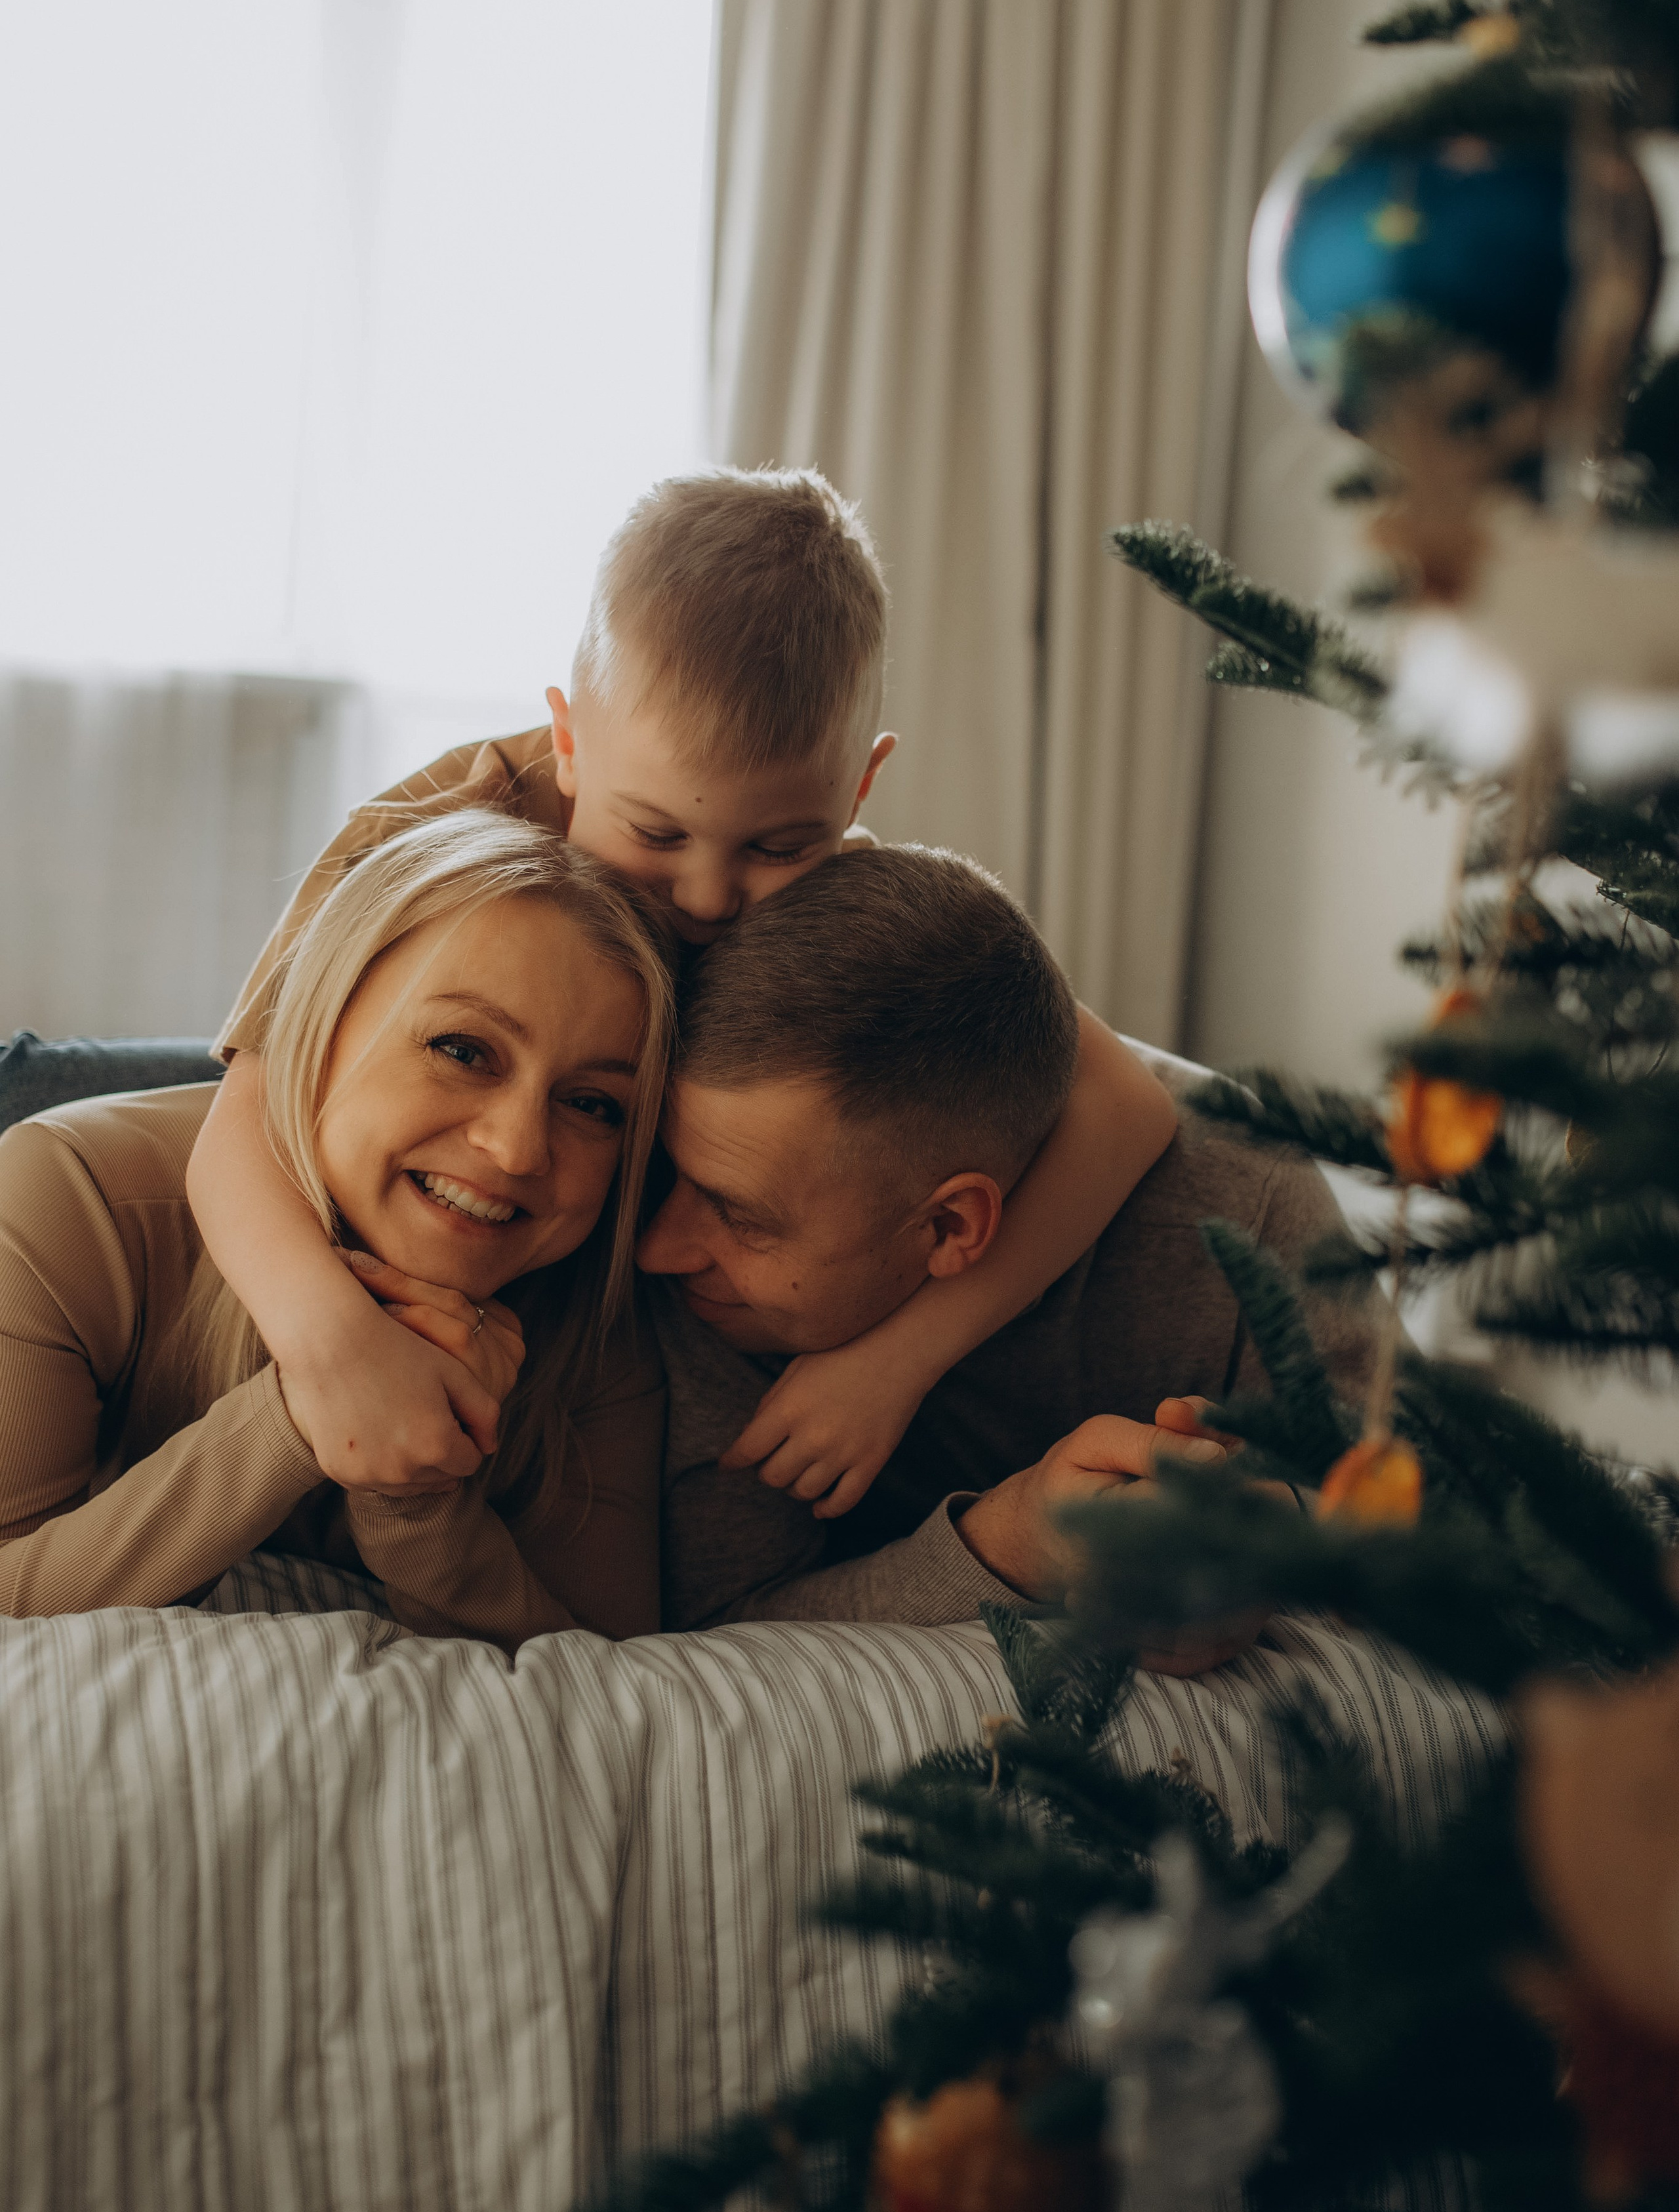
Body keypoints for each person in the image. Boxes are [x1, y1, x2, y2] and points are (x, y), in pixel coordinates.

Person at [185, 466, 1179, 1528]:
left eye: (780, 846)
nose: (707, 896)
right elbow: (235, 1119)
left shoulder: (841, 881)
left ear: (860, 789)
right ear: (568, 743)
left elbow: (1128, 1102)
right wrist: (329, 1337)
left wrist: (895, 1363)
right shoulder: (435, 828)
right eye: (654, 834)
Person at [635, 846, 1381, 1665]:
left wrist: (1265, 1538)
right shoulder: (696, 1274)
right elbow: (711, 1636)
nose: (654, 1249)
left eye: (740, 1217)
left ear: (951, 1227)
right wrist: (1009, 1546)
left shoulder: (1250, 1200)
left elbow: (1447, 1514)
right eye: (674, 1176)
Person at [0, 812, 677, 1647]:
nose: (519, 1147)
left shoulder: (598, 1320)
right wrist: (297, 1409)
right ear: (314, 1027)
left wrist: (417, 1500)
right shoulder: (68, 1197)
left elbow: (613, 1678)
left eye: (592, 1104)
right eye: (463, 1050)